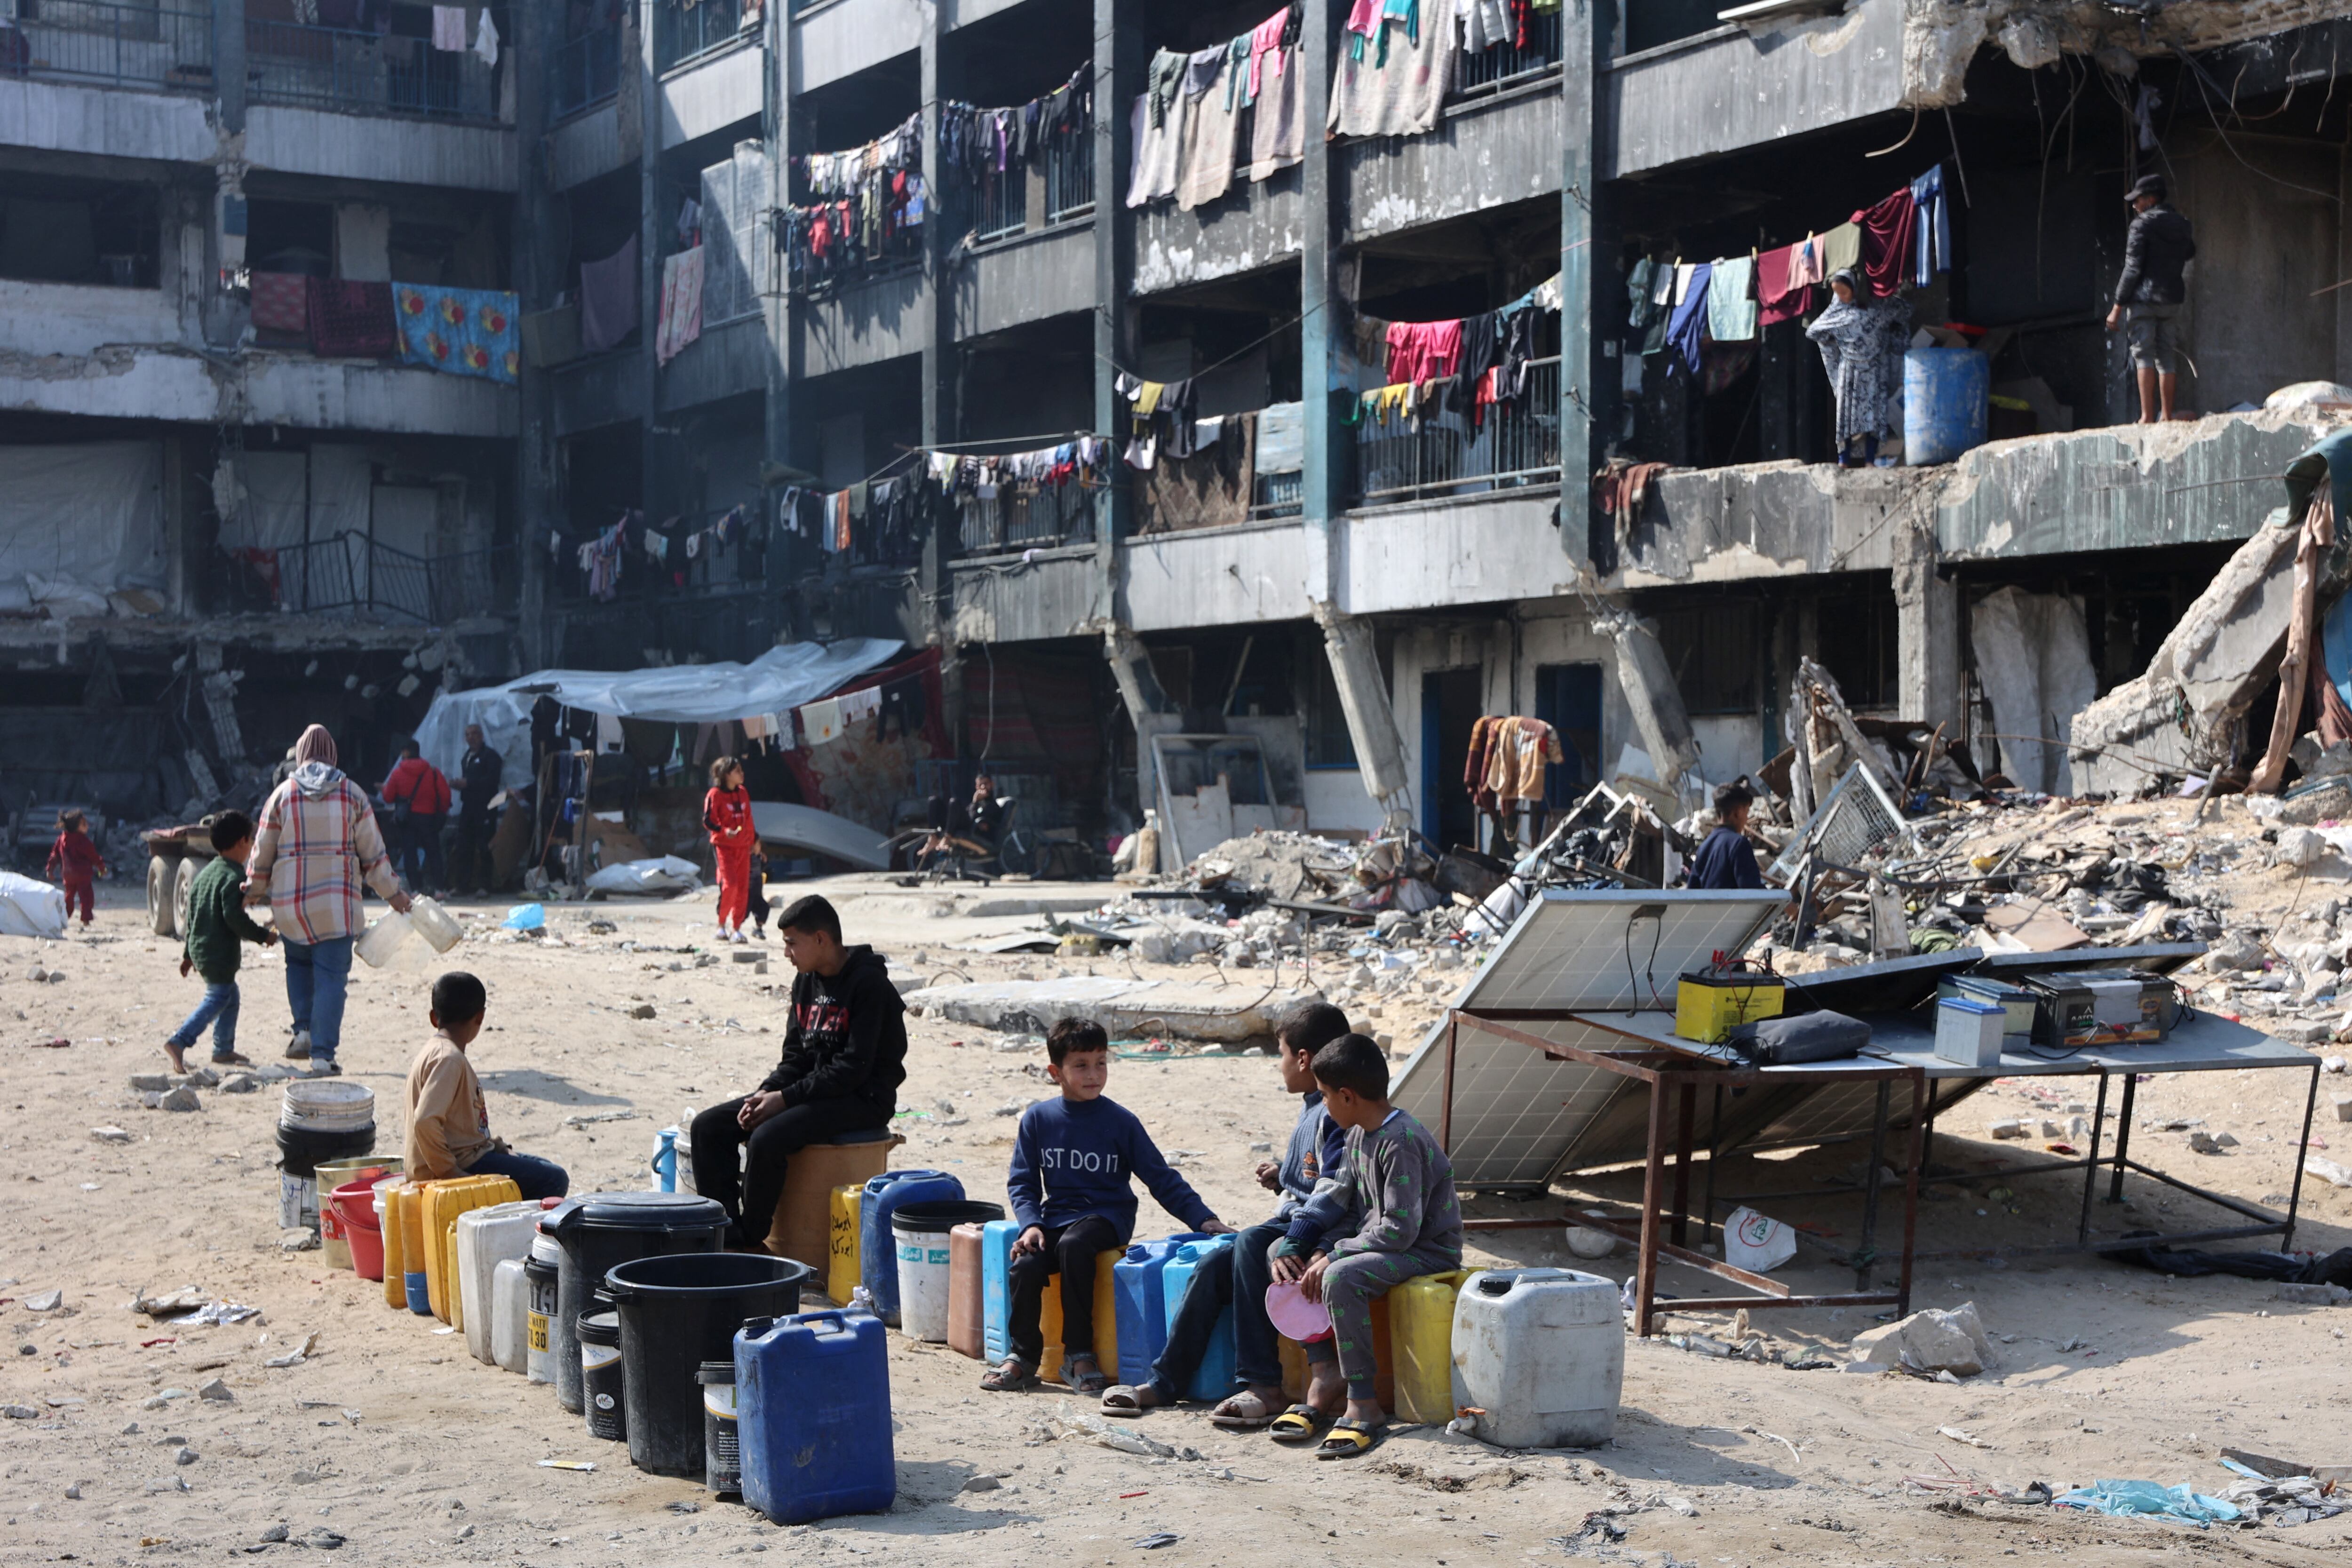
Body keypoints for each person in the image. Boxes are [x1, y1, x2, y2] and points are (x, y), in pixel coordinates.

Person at [1099, 1001, 1355, 1426]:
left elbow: (1337, 1189)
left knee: (1255, 1243)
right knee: (1214, 1264)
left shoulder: (1335, 1110)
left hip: (1322, 1229)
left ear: (1305, 1059)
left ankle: (1262, 1385)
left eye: (1282, 1054)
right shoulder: (1313, 1103)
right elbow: (1312, 1170)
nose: (1281, 1065)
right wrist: (1282, 1174)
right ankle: (1165, 1381)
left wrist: (1307, 1239)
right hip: (1299, 1218)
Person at [985, 1018, 1233, 1395]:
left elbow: (1160, 1178)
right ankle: (1023, 1356)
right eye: (1081, 1065)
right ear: (1056, 1072)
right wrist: (1030, 1225)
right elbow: (1022, 1182)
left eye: (1101, 1062)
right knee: (1027, 1264)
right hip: (1057, 1218)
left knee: (1074, 1245)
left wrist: (1204, 1218)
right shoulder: (1038, 1119)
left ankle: (1079, 1354)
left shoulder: (1120, 1122)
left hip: (1108, 1216)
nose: (1093, 1073)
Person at [1269, 1033, 1462, 1458]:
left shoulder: (1401, 1140)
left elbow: (1399, 1229)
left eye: (1323, 1096)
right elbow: (1352, 1209)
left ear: (1347, 1095)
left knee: (1341, 1276)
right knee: (1286, 1257)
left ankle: (1364, 1401)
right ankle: (1326, 1372)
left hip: (1425, 1250)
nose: (1322, 1105)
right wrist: (1317, 1247)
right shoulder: (1357, 1135)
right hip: (1382, 1243)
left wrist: (1337, 1255)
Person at [688, 895, 907, 1249]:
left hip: (863, 1097)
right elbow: (795, 1057)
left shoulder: (870, 985)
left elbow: (854, 1069)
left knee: (767, 1138)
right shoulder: (805, 982)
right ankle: (723, 1234)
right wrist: (765, 1093)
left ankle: (750, 1238)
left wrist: (785, 1099)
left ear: (821, 939)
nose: (787, 953)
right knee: (708, 1127)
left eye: (792, 943)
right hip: (815, 1089)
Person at [246, 724, 411, 1076]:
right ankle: (322, 1055)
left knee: (299, 967)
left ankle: (302, 1031)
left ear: (302, 754)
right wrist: (393, 894)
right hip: (337, 908)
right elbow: (373, 854)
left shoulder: (282, 795)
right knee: (332, 978)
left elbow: (263, 850)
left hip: (292, 908)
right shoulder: (353, 794)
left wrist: (253, 890)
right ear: (333, 755)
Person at [404, 971, 569, 1201]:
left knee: (541, 1166)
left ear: (434, 1017)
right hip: (455, 1166)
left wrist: (497, 1146)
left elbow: (461, 1128)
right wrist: (450, 1172)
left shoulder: (438, 1052)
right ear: (480, 1017)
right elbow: (425, 1120)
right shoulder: (448, 1060)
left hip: (471, 1154)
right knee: (553, 1178)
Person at [163, 811, 277, 1075]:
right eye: (251, 842)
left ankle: (223, 1049)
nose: (251, 848)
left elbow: (193, 915)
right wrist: (264, 936)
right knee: (218, 997)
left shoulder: (206, 874)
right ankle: (179, 1041)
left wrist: (188, 954)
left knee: (230, 997)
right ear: (241, 843)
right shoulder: (233, 877)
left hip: (201, 949)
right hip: (219, 953)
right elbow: (233, 918)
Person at [2106, 173, 2196, 425]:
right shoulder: (2182, 224)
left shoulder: (2141, 225)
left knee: (2143, 354)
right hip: (2171, 300)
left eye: (2139, 199)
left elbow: (2132, 268)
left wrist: (2117, 307)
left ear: (2151, 199)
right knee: (2166, 355)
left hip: (2144, 300)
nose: (2135, 205)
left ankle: (2146, 417)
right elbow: (2190, 251)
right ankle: (2166, 416)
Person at [1806, 267, 1911, 468]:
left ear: (1856, 289)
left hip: (1875, 370)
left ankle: (1870, 460)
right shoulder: (1836, 313)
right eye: (1838, 293)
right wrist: (1834, 340)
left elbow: (1904, 311)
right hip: (1850, 371)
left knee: (1874, 416)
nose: (1842, 297)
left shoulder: (1877, 309)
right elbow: (1814, 331)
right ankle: (1844, 460)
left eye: (1845, 292)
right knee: (1846, 416)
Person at [381, 740, 452, 897]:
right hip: (429, 818)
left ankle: (415, 890)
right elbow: (446, 795)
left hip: (407, 820)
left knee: (410, 854)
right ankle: (439, 889)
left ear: (405, 753)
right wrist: (440, 812)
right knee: (434, 852)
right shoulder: (433, 772)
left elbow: (387, 797)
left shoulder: (398, 773)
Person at [705, 756, 755, 944]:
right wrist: (725, 831)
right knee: (730, 886)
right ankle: (721, 924)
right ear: (726, 774)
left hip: (743, 847)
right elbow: (708, 820)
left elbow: (748, 818)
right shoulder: (715, 794)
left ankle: (737, 928)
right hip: (724, 847)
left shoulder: (743, 793)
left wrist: (754, 840)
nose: (742, 774)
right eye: (737, 771)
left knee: (743, 888)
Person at [1686, 777, 1765, 891]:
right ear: (1738, 813)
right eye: (1747, 812)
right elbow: (1752, 892)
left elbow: (1692, 890)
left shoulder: (1705, 846)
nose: (1747, 819)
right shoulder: (1739, 844)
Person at [453, 723, 505, 894]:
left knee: (485, 846)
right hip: (468, 806)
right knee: (464, 845)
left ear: (481, 736)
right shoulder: (466, 757)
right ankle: (463, 885)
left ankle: (485, 885)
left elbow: (492, 781)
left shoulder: (490, 757)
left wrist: (469, 784)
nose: (471, 738)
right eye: (468, 735)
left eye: (475, 734)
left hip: (486, 806)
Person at [45, 809, 106, 930]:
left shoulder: (61, 839)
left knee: (69, 897)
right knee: (86, 897)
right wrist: (102, 868)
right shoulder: (83, 841)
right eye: (84, 824)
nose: (87, 826)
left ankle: (64, 917)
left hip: (68, 875)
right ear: (77, 827)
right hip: (83, 875)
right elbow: (94, 857)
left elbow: (54, 855)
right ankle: (86, 919)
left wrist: (50, 870)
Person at [745, 847, 771, 939]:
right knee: (743, 913)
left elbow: (762, 868)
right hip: (746, 890)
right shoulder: (744, 856)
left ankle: (758, 929)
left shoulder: (758, 857)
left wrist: (764, 861)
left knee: (764, 909)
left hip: (757, 889)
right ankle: (735, 930)